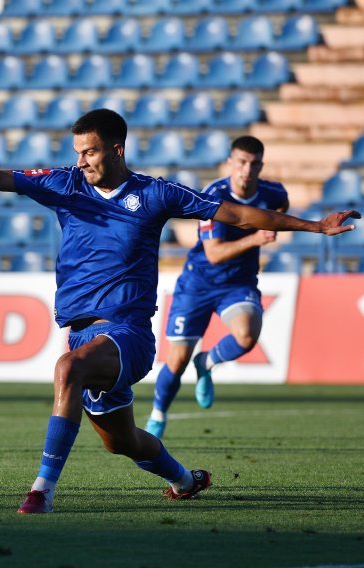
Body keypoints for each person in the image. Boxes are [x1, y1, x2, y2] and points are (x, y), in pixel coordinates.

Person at [0, 108, 359, 514]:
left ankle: (41, 492)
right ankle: (185, 481)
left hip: (128, 334)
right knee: (122, 442)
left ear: (117, 149)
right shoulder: (64, 184)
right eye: (78, 152)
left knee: (67, 370)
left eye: (90, 152)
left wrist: (314, 226)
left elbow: (237, 215)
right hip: (83, 334)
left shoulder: (154, 194)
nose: (82, 161)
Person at [145, 136, 288, 439]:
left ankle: (207, 361)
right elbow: (214, 253)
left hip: (238, 284)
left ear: (261, 165)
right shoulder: (215, 196)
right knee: (177, 360)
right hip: (198, 283)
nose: (246, 170)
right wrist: (257, 238)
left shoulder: (274, 193)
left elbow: (281, 211)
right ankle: (158, 414)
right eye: (241, 162)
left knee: (247, 335)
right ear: (229, 163)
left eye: (253, 163)